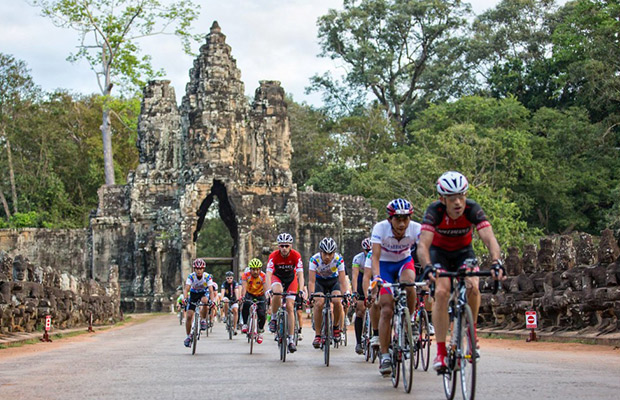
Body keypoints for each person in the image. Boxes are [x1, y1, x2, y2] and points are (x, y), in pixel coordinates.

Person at [417, 171, 505, 372]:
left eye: (461, 196)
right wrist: (428, 266)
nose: (458, 202)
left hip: (464, 253)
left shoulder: (472, 209)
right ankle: (440, 352)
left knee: (473, 286)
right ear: (442, 199)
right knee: (441, 292)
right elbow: (423, 245)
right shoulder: (434, 211)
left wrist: (496, 261)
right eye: (452, 198)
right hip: (439, 254)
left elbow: (489, 238)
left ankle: (472, 331)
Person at [369, 198, 421, 376]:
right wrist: (376, 278)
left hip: (404, 263)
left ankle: (411, 320)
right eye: (397, 219)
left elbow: (424, 250)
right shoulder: (380, 228)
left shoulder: (416, 228)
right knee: (386, 309)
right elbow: (375, 257)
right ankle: (384, 356)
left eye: (405, 219)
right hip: (384, 266)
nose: (402, 223)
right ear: (390, 218)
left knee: (410, 283)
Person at [266, 232, 305, 353]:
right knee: (277, 291)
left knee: (289, 306)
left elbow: (300, 275)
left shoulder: (296, 255)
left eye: (286, 246)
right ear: (278, 246)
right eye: (281, 245)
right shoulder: (273, 256)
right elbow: (268, 274)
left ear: (291, 246)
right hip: (277, 278)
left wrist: (302, 289)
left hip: (290, 280)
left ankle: (291, 339)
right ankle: (273, 318)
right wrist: (268, 289)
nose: (284, 248)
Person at [309, 237, 349, 349]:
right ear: (320, 252)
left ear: (334, 253)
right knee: (319, 303)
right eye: (325, 253)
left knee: (337, 301)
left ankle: (336, 327)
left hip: (333, 282)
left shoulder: (339, 259)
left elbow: (342, 281)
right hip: (320, 282)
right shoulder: (314, 259)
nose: (327, 257)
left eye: (330, 254)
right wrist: (311, 295)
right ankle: (317, 335)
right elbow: (311, 281)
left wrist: (345, 294)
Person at [182, 258, 215, 347]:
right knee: (189, 316)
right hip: (193, 294)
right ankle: (188, 336)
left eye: (200, 269)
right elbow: (186, 289)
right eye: (197, 269)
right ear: (194, 269)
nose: (199, 270)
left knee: (205, 301)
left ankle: (203, 319)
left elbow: (211, 291)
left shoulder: (207, 277)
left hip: (204, 293)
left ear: (203, 269)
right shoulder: (191, 276)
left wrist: (212, 301)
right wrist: (185, 298)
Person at [240, 258, 268, 344]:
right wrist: (243, 296)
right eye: (253, 269)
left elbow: (266, 287)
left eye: (257, 269)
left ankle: (260, 331)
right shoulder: (246, 275)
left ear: (260, 269)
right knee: (246, 305)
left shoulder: (263, 276)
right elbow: (244, 287)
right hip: (250, 294)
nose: (255, 272)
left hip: (260, 295)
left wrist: (267, 298)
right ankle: (245, 324)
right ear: (250, 269)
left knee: (262, 313)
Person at [352, 238, 371, 354]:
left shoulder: (378, 255)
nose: (369, 253)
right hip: (361, 279)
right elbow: (354, 276)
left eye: (371, 250)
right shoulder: (358, 258)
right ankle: (359, 342)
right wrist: (355, 291)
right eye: (367, 250)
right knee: (360, 310)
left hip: (374, 278)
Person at [221, 271, 240, 335]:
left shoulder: (235, 283)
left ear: (233, 278)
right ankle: (226, 316)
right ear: (226, 278)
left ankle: (234, 328)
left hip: (233, 298)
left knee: (235, 311)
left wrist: (237, 299)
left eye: (231, 278)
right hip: (227, 298)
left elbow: (236, 290)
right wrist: (221, 300)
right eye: (228, 278)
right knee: (225, 301)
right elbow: (222, 292)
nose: (229, 279)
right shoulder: (224, 284)